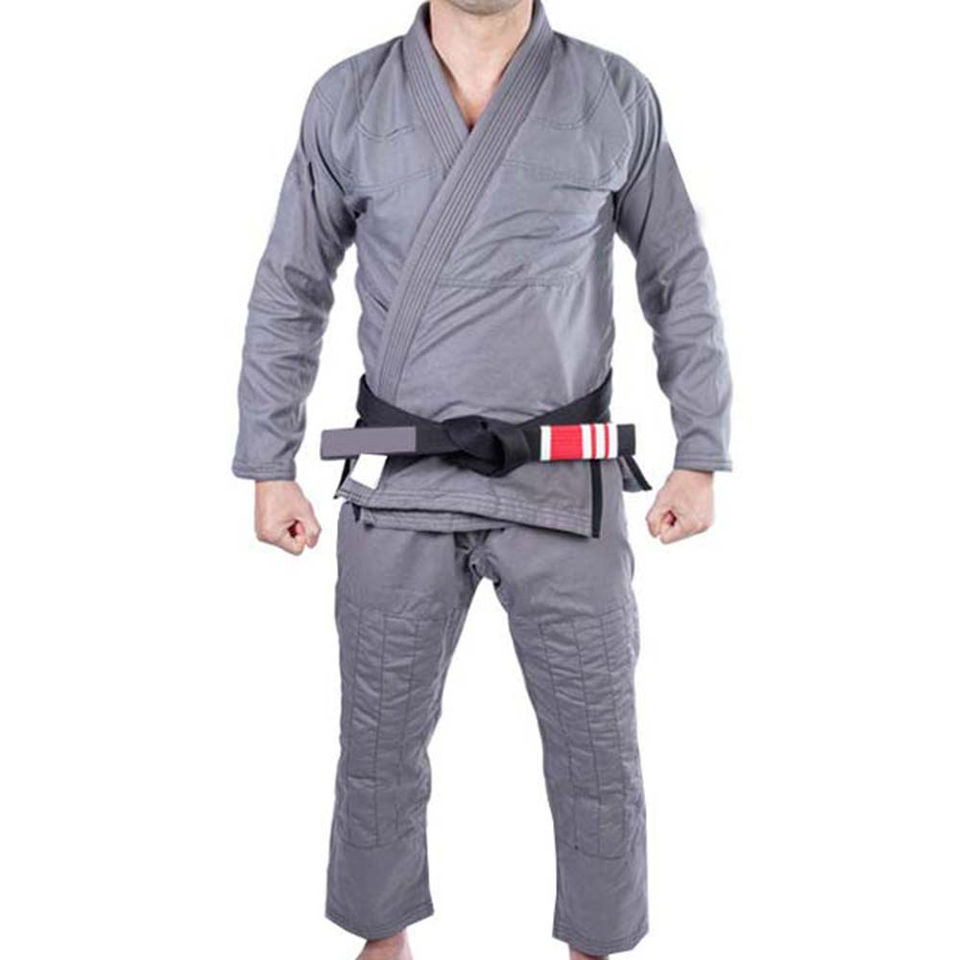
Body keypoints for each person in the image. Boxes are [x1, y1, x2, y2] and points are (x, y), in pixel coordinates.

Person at [232, 0, 732, 956]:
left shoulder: (612, 94)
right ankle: (382, 939)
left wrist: (700, 449)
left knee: (597, 747)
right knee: (377, 740)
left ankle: (595, 944)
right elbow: (290, 283)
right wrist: (268, 462)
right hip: (402, 480)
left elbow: (679, 273)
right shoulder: (349, 99)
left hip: (565, 481)